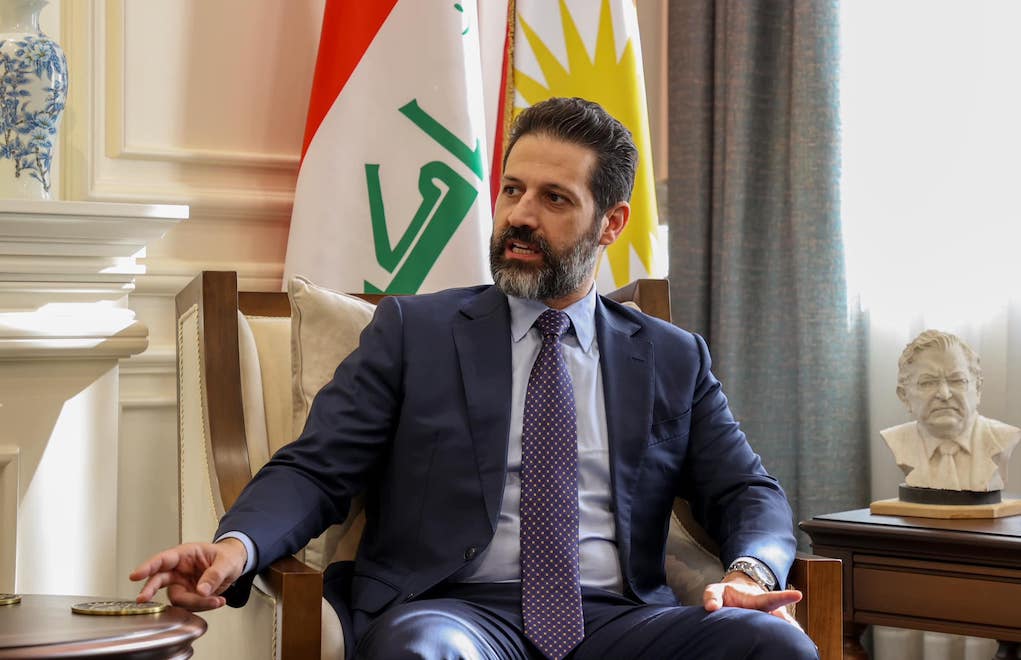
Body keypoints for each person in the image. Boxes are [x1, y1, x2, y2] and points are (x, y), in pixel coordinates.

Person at [131, 97, 817, 659]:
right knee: (426, 652)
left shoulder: (670, 356)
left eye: (554, 198)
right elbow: (317, 468)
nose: (520, 215)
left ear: (610, 224)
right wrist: (235, 547)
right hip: (452, 611)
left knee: (774, 644)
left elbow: (745, 490)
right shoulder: (415, 332)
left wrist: (749, 571)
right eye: (513, 190)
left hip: (619, 619)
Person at [882, 329, 1020, 492]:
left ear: (978, 389)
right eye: (928, 383)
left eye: (957, 380)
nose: (944, 394)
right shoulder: (897, 440)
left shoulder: (1003, 437)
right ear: (904, 396)